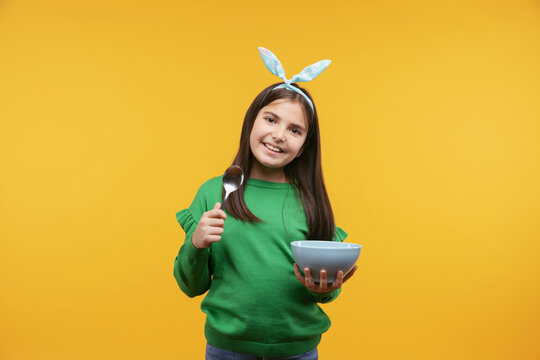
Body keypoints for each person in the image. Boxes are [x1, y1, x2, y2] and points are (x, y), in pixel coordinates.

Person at [173, 47, 358, 360]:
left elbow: (327, 293)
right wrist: (197, 243)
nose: (279, 135)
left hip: (297, 351)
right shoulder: (213, 193)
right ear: (251, 123)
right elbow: (190, 286)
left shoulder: (310, 202)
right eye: (271, 119)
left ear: (303, 148)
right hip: (227, 350)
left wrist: (323, 287)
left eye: (294, 130)